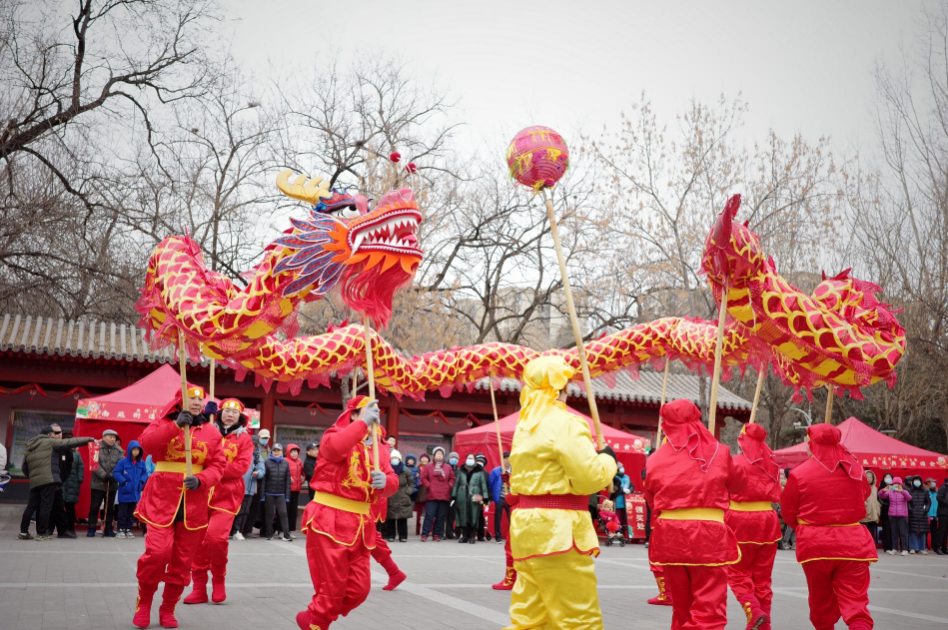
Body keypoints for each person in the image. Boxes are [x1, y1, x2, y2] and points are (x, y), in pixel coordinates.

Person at [505, 356, 616, 630]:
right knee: (579, 619)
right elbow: (589, 478)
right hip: (559, 530)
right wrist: (608, 461)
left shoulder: (525, 426)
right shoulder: (565, 423)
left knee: (529, 618)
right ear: (561, 388)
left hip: (527, 529)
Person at [295, 396, 398, 630]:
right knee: (331, 587)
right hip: (329, 518)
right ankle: (318, 622)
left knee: (359, 590)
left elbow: (392, 479)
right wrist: (361, 424)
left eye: (376, 413)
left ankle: (313, 618)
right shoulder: (335, 435)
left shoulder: (380, 446)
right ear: (353, 414)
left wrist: (386, 483)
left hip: (361, 525)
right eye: (367, 411)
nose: (375, 416)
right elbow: (334, 450)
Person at [645, 399, 745, 630]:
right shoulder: (719, 452)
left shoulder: (655, 458)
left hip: (669, 537)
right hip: (708, 536)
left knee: (682, 610)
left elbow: (651, 499)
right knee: (709, 611)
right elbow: (739, 484)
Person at [132, 386, 225, 629]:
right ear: (180, 399)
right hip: (161, 499)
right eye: (191, 398)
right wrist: (173, 426)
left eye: (199, 399)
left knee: (183, 560)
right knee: (158, 553)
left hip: (194, 502)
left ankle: (168, 608)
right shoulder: (163, 421)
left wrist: (203, 479)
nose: (196, 402)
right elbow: (146, 445)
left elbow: (218, 466)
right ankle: (144, 604)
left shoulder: (212, 432)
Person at [780, 423, 877, 630]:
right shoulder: (855, 469)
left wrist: (806, 529)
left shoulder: (799, 473)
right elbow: (865, 495)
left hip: (816, 546)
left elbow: (788, 511)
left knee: (821, 604)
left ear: (812, 444)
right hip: (854, 544)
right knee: (856, 605)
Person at [185, 397, 254, 605]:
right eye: (226, 410)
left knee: (215, 538)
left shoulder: (245, 440)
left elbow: (241, 468)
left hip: (228, 495)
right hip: (203, 492)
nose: (229, 414)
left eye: (234, 412)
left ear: (240, 417)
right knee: (198, 540)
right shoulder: (209, 431)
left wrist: (215, 470)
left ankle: (218, 580)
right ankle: (198, 588)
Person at [725, 423, 782, 630]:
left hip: (739, 519)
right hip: (767, 519)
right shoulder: (771, 464)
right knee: (763, 578)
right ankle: (764, 625)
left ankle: (753, 611)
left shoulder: (733, 461)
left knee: (737, 572)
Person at [19, 424, 93, 540]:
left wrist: (33, 477)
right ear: (49, 434)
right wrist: (89, 439)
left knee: (31, 506)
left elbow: (24, 468)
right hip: (48, 480)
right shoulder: (50, 442)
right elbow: (69, 442)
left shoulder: (30, 446)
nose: (56, 436)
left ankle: (23, 532)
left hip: (35, 482)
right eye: (54, 434)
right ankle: (42, 533)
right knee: (46, 506)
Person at [88, 429, 124, 537]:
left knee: (109, 507)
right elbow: (94, 463)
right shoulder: (96, 447)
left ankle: (108, 528)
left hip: (112, 483)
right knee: (95, 506)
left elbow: (121, 464)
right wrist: (104, 475)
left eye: (114, 437)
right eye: (110, 437)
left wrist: (113, 475)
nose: (112, 439)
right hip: (97, 483)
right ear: (103, 437)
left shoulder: (119, 450)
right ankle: (91, 528)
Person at [232, 433, 266, 541]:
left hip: (249, 488)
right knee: (232, 510)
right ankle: (229, 530)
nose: (252, 447)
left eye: (254, 445)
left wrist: (258, 473)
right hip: (235, 487)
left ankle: (238, 531)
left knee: (244, 511)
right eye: (250, 444)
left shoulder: (257, 456)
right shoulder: (238, 452)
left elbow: (262, 470)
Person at [113, 440, 149, 538]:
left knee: (131, 512)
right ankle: (120, 530)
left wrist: (142, 481)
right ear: (130, 450)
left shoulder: (141, 462)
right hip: (125, 490)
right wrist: (124, 481)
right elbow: (116, 473)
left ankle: (128, 529)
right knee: (123, 512)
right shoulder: (123, 462)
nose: (136, 452)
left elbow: (145, 473)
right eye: (134, 450)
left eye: (138, 450)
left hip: (135, 491)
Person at [452, 452, 488, 544]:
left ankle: (472, 536)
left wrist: (485, 498)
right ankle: (464, 536)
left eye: (472, 458)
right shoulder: (461, 470)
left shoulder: (479, 471)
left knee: (473, 516)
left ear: (475, 460)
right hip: (462, 496)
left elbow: (483, 485)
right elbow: (456, 484)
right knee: (463, 516)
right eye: (468, 458)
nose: (470, 460)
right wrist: (454, 496)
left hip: (474, 497)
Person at [420, 446, 454, 541]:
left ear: (443, 456)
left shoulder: (448, 467)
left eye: (441, 454)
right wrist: (428, 486)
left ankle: (436, 534)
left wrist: (449, 485)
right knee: (429, 515)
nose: (439, 456)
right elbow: (424, 478)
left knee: (441, 516)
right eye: (437, 454)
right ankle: (425, 534)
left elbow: (452, 478)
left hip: (444, 495)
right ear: (434, 456)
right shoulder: (428, 467)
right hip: (431, 495)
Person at [262, 444, 292, 541]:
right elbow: (263, 480)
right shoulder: (267, 462)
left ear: (281, 452)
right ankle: (269, 533)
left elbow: (288, 481)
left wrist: (287, 495)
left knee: (283, 513)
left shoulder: (286, 463)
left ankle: (286, 534)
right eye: (274, 450)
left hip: (281, 494)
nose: (276, 452)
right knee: (269, 514)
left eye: (278, 450)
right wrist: (262, 495)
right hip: (269, 493)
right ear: (272, 452)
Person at [385, 448, 414, 542]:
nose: (394, 460)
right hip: (391, 495)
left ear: (400, 459)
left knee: (402, 518)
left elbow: (411, 483)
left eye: (396, 458)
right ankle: (391, 535)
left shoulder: (405, 470)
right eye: (393, 458)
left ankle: (403, 536)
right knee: (391, 518)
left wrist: (408, 492)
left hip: (403, 495)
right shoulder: (387, 469)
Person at [878, 476, 911, 555]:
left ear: (901, 484)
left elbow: (909, 498)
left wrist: (902, 491)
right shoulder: (890, 492)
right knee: (894, 533)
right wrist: (883, 490)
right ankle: (894, 548)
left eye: (898, 484)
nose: (896, 485)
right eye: (894, 484)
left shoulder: (904, 491)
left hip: (902, 515)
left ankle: (904, 549)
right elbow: (880, 495)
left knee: (903, 533)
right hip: (892, 514)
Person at [489, 452, 511, 544]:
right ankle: (498, 536)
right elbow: (491, 483)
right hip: (500, 497)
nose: (507, 461)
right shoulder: (496, 471)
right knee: (498, 517)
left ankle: (511, 537)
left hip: (510, 497)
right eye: (505, 459)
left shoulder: (515, 471)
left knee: (512, 518)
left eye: (509, 458)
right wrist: (493, 495)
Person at [62, 446, 85, 535]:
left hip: (73, 483)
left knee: (70, 507)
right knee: (59, 507)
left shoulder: (77, 454)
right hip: (62, 482)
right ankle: (61, 528)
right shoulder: (61, 451)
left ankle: (71, 528)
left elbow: (80, 467)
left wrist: (79, 479)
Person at [906, 475, 932, 554]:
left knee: (923, 531)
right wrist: (910, 509)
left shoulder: (925, 491)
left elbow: (928, 502)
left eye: (918, 480)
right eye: (915, 480)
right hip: (913, 513)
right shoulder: (910, 491)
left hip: (922, 514)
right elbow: (908, 502)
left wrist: (926, 510)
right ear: (913, 482)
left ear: (921, 481)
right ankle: (913, 548)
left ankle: (922, 548)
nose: (917, 482)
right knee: (912, 531)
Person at [610, 462, 632, 542]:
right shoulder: (613, 477)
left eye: (622, 467)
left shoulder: (627, 477)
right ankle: (616, 534)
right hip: (617, 502)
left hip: (627, 503)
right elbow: (613, 489)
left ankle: (624, 536)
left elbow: (631, 486)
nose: (622, 468)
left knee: (625, 521)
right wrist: (622, 490)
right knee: (617, 520)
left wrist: (630, 490)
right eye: (620, 467)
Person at [286, 443, 304, 538]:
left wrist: (303, 479)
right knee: (286, 511)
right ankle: (283, 530)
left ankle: (291, 530)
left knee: (293, 511)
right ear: (288, 452)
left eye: (296, 452)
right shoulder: (285, 461)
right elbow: (283, 472)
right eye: (292, 451)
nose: (294, 453)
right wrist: (288, 477)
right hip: (287, 490)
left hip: (296, 490)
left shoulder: (300, 461)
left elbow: (303, 472)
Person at [860, 470, 881, 546]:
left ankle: (871, 546)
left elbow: (876, 500)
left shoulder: (875, 488)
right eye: (867, 477)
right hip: (864, 513)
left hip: (873, 514)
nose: (869, 479)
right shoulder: (861, 487)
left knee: (872, 532)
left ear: (873, 478)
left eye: (870, 477)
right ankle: (863, 546)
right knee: (864, 532)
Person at [412, 453, 428, 535]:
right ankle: (417, 529)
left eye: (426, 458)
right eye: (423, 458)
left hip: (428, 492)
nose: (424, 460)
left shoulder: (430, 468)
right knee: (417, 513)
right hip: (418, 493)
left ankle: (429, 530)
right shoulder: (417, 468)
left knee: (429, 513)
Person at [446, 450, 460, 538]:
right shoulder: (445, 468)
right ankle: (440, 533)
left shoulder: (459, 470)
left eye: (455, 458)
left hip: (455, 495)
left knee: (452, 515)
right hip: (445, 494)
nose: (454, 459)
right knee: (443, 515)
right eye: (452, 457)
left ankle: (449, 533)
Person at [878, 473, 893, 552]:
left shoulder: (895, 486)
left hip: (894, 510)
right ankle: (887, 547)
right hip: (885, 511)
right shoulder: (881, 487)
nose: (888, 479)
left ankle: (893, 546)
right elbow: (879, 498)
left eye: (889, 477)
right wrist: (886, 504)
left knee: (893, 529)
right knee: (886, 529)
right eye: (886, 477)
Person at [936, 477, 948, 554]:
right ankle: (937, 547)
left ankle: (944, 547)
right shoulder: (943, 487)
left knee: (946, 531)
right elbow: (939, 497)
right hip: (943, 512)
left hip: (946, 512)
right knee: (941, 530)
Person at [927, 478, 939, 552]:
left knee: (934, 532)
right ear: (928, 483)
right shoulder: (926, 492)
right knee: (925, 532)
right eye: (932, 482)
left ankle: (934, 546)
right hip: (927, 514)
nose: (934, 483)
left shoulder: (937, 492)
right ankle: (924, 546)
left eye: (935, 482)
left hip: (935, 515)